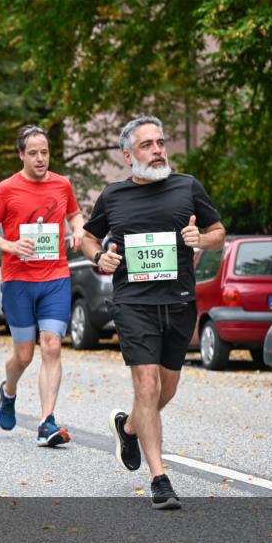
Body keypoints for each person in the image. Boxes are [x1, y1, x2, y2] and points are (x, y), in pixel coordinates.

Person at [82, 115, 226, 510]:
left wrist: (203, 239)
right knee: (146, 388)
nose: (158, 150)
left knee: (165, 392)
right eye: (147, 145)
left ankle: (129, 428)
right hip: (133, 303)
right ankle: (160, 479)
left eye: (160, 142)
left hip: (178, 301)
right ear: (129, 155)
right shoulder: (113, 196)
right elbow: (88, 237)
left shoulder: (187, 187)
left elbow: (219, 233)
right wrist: (99, 257)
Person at [0, 125, 85, 447]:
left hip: (55, 276)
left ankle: (46, 421)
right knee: (23, 356)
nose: (41, 159)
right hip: (18, 280)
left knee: (52, 344)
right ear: (22, 154)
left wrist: (78, 230)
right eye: (34, 153)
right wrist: (10, 246)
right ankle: (8, 391)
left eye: (45, 152)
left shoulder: (62, 184)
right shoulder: (7, 188)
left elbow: (75, 214)